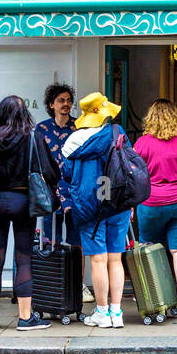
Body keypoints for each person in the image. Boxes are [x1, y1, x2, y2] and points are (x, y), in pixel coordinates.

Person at [0, 95, 52, 331]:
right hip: (24, 202)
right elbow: (50, 172)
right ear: (25, 115)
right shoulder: (34, 138)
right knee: (23, 259)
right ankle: (24, 318)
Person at [62, 92, 131, 329]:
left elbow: (67, 175)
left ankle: (101, 312)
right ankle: (116, 311)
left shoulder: (73, 141)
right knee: (115, 258)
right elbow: (129, 164)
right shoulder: (117, 133)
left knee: (98, 260)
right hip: (118, 203)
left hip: (89, 204)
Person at [134, 99, 177, 312]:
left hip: (152, 202)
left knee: (149, 248)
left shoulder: (142, 143)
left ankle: (152, 295)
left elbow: (134, 176)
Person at [36, 82, 92, 304]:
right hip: (49, 192)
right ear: (52, 104)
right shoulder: (41, 130)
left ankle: (78, 285)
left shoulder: (79, 128)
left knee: (77, 242)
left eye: (69, 100)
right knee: (51, 240)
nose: (66, 104)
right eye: (61, 100)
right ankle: (54, 285)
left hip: (75, 192)